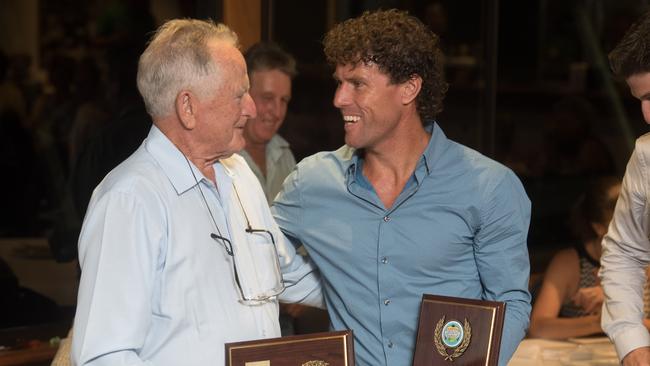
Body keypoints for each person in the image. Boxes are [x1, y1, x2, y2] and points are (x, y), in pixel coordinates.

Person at [271, 9, 532, 366]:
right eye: (339, 82)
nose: (339, 98)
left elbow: (510, 304)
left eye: (358, 83)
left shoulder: (489, 187)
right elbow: (257, 256)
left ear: (409, 88)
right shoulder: (311, 182)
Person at [71, 19, 321, 366]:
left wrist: (381, 280)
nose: (251, 108)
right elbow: (104, 356)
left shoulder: (239, 175)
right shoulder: (130, 200)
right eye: (238, 94)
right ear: (187, 107)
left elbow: (285, 274)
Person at [600, 8, 650, 366]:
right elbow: (624, 253)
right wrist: (631, 341)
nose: (647, 116)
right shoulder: (647, 155)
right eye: (641, 101)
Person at [529, 177, 621, 339]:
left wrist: (617, 298)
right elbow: (538, 328)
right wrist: (599, 321)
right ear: (599, 228)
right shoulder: (570, 263)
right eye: (624, 226)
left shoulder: (643, 260)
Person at [239, 42, 297, 204]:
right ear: (243, 94)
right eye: (267, 98)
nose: (277, 112)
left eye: (284, 100)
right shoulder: (221, 158)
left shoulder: (284, 155)